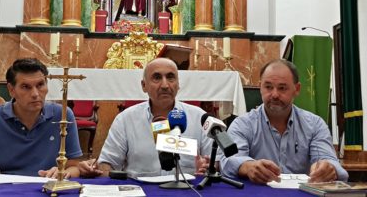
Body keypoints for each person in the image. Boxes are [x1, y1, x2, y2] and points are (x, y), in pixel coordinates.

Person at [219, 59, 348, 184]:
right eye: (268, 87)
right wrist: (247, 167)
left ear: (296, 89)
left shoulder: (315, 125)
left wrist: (328, 168)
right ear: (260, 87)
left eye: (282, 88)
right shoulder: (243, 124)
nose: (274, 94)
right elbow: (228, 160)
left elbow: (328, 160)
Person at [78, 58, 212, 178]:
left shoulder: (199, 117)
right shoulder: (125, 120)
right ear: (144, 86)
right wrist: (96, 170)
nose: (165, 85)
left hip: (187, 191)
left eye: (170, 77)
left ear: (178, 84)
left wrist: (207, 167)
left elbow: (214, 163)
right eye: (157, 78)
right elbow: (108, 164)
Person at [0, 58, 82, 191]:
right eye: (25, 87)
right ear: (11, 90)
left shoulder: (63, 115)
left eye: (40, 85)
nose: (35, 94)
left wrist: (63, 173)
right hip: (3, 192)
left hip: (47, 191)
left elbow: (75, 166)